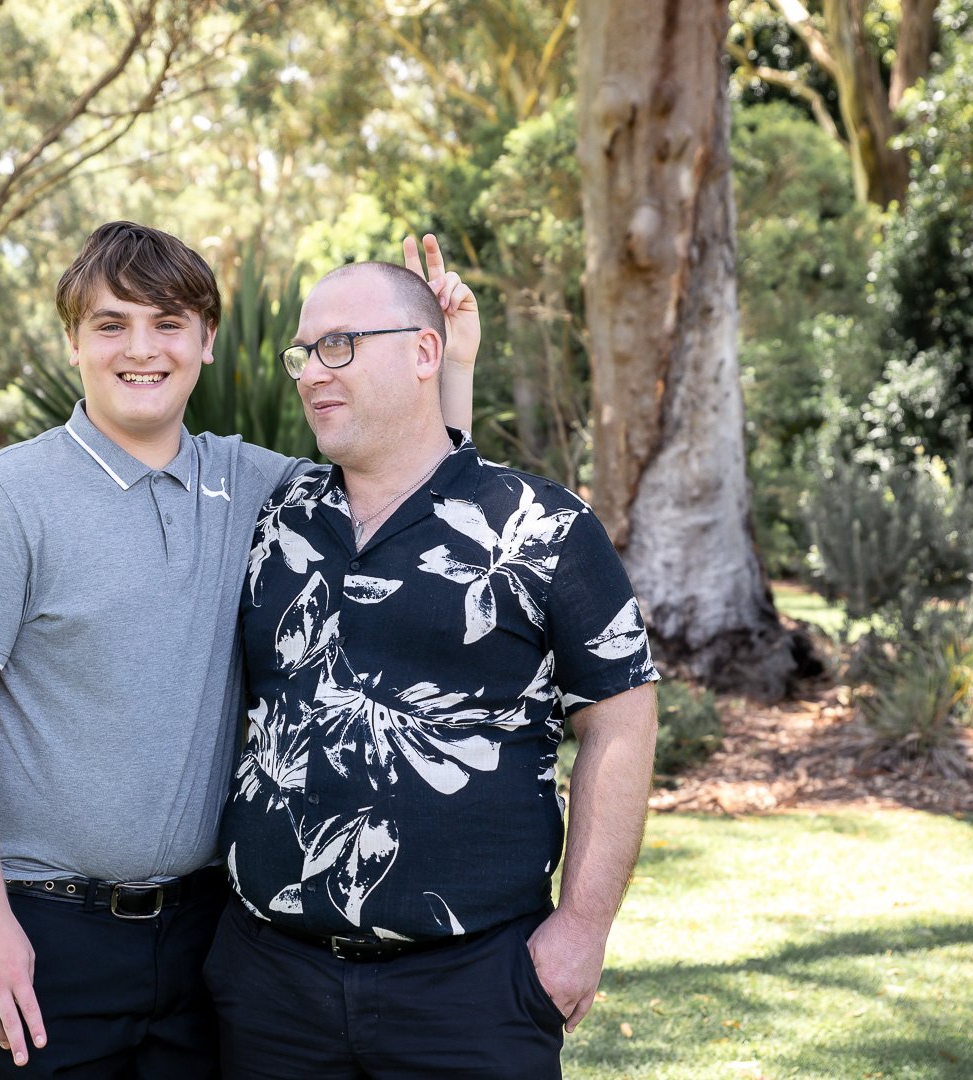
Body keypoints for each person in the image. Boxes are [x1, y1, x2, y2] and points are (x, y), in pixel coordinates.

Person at [0, 221, 479, 1079]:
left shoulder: (257, 486)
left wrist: (451, 364)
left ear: (207, 342)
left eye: (169, 323)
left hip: (215, 937)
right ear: (74, 342)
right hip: (47, 934)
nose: (142, 348)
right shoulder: (4, 500)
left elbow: (414, 490)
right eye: (111, 324)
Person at [208, 260, 660, 1080]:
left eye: (339, 345)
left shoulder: (542, 526)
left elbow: (621, 720)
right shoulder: (276, 517)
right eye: (304, 352)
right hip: (268, 986)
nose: (312, 371)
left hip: (474, 990)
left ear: (424, 353)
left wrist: (583, 928)